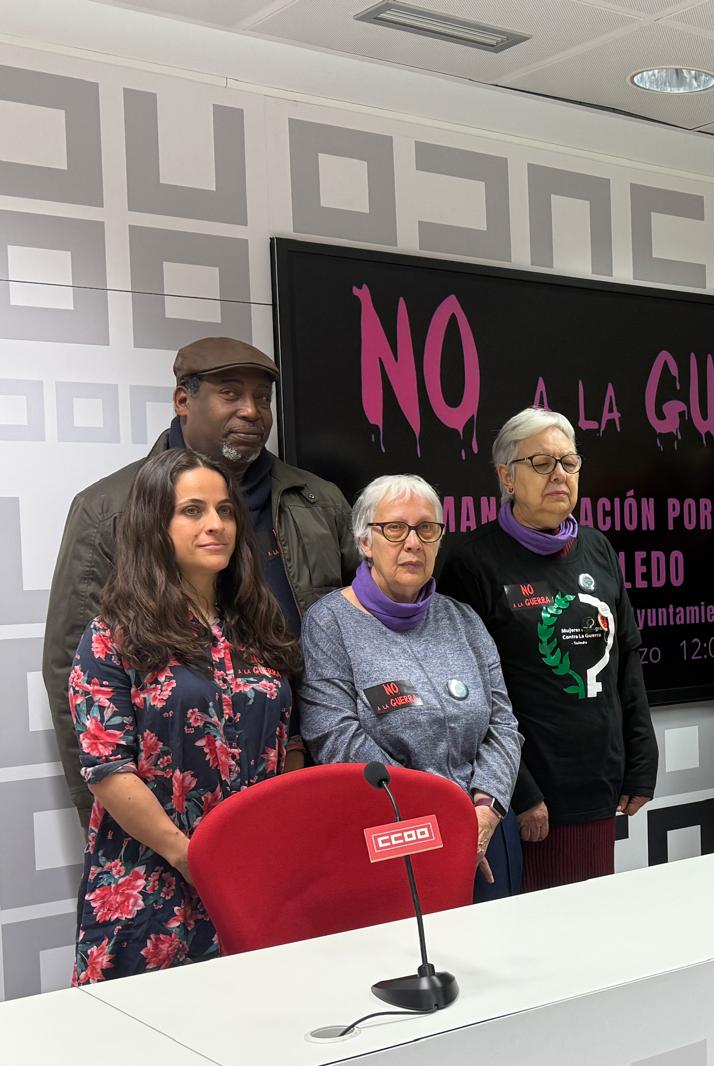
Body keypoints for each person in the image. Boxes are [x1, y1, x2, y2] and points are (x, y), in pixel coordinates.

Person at [45, 337, 358, 829]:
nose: (252, 412)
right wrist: (107, 816)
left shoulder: (319, 502)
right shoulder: (109, 508)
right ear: (183, 401)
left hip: (309, 769)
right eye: (231, 394)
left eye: (262, 398)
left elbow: (357, 634)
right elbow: (73, 671)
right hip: (167, 808)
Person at [68, 449, 301, 983]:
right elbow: (107, 770)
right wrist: (188, 856)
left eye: (224, 510)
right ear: (156, 523)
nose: (215, 525)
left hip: (251, 873)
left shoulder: (256, 625)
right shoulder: (112, 635)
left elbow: (281, 746)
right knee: (149, 1051)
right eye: (192, 510)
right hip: (152, 876)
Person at [436, 410, 656, 890]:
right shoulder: (471, 562)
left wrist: (640, 758)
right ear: (506, 477)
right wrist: (522, 791)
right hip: (526, 790)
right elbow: (473, 696)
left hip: (597, 777)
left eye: (569, 462)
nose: (559, 474)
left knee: (591, 921)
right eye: (540, 462)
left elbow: (627, 656)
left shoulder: (598, 548)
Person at [298, 475, 524, 901]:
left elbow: (503, 724)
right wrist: (438, 817)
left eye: (427, 529)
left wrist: (486, 809)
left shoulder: (464, 620)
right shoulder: (329, 624)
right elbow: (337, 740)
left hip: (487, 828)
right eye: (395, 529)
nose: (413, 543)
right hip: (397, 831)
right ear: (365, 542)